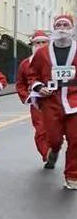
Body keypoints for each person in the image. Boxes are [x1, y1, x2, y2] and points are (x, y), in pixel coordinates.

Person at [28, 14, 77, 190]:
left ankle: (72, 175)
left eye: (66, 25)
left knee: (75, 139)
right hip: (51, 101)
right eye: (59, 25)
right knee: (54, 139)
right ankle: (54, 151)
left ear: (71, 28)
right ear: (54, 29)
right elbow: (32, 75)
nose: (62, 28)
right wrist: (39, 86)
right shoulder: (42, 53)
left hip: (74, 100)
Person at [16, 30, 51, 164]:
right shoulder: (25, 63)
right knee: (41, 129)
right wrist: (29, 97)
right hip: (37, 102)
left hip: (57, 100)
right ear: (33, 44)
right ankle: (47, 155)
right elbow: (20, 84)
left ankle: (53, 149)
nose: (41, 45)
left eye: (44, 42)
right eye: (38, 43)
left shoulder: (56, 60)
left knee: (56, 131)